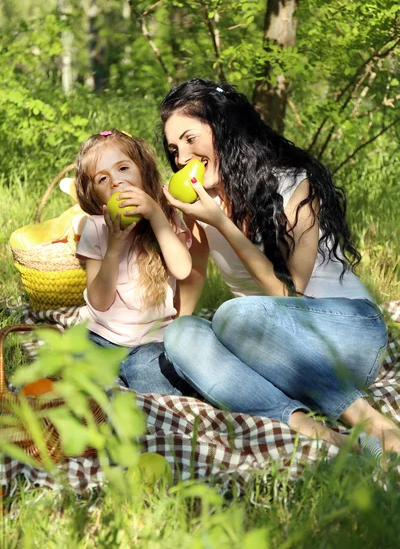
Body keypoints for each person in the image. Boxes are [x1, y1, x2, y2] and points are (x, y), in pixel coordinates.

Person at [160, 78, 400, 454]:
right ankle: (328, 436)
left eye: (191, 139)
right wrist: (171, 330)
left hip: (345, 336)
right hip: (267, 350)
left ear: (224, 127)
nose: (182, 157)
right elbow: (194, 273)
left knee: (232, 317)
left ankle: (370, 422)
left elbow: (289, 296)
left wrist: (222, 223)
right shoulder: (200, 201)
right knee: (182, 337)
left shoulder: (293, 185)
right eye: (174, 149)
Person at [74, 129, 194, 396]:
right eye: (103, 178)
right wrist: (114, 247)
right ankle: (110, 394)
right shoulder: (95, 227)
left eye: (124, 168)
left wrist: (156, 215)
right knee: (79, 377)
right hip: (100, 337)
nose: (116, 182)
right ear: (94, 196)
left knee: (150, 380)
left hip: (151, 342)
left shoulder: (165, 217)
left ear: (143, 172)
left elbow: (183, 269)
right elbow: (99, 302)